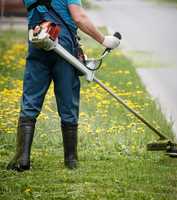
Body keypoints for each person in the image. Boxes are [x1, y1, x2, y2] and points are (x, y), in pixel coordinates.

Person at [7, 0, 120, 171]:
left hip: (38, 42)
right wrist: (104, 40)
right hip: (64, 46)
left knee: (30, 100)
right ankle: (71, 160)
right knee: (68, 101)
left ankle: (22, 159)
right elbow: (79, 17)